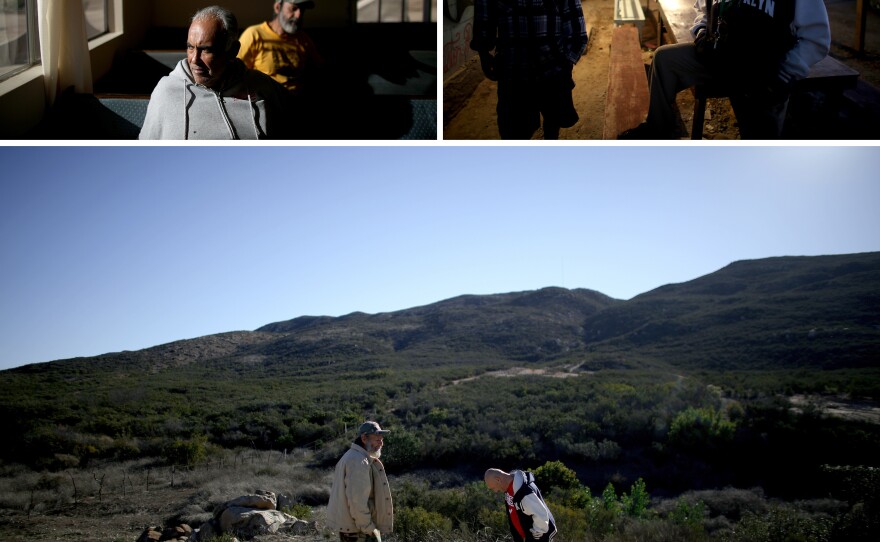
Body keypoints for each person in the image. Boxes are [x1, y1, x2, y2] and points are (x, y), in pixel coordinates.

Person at [622, 0, 831, 139]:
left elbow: (816, 39)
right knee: (665, 59)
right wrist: (703, 30)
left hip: (764, 73)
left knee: (761, 143)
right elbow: (704, 8)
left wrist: (784, 72)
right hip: (721, 59)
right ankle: (659, 128)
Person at [139, 6, 292, 140]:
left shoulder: (262, 85)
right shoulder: (166, 90)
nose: (194, 59)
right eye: (190, 47)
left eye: (206, 49)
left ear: (233, 50)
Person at [469, 0, 588, 140]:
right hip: (513, 73)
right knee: (515, 132)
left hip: (552, 70)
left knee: (553, 121)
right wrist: (483, 52)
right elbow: (484, 14)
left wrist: (566, 63)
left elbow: (576, 27)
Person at [237, 0, 323, 96]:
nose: (298, 15)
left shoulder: (304, 39)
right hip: (266, 101)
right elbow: (236, 74)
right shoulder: (254, 34)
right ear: (278, 7)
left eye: (302, 10)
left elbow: (317, 71)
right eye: (293, 8)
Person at [327, 421, 394, 542]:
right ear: (364, 438)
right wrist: (369, 529)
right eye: (377, 438)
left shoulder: (354, 456)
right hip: (358, 532)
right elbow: (356, 502)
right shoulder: (358, 461)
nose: (381, 443)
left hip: (354, 529)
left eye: (381, 439)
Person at [485, 468, 557, 542]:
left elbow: (541, 516)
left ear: (498, 480)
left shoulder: (524, 491)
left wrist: (533, 538)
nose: (495, 491)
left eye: (493, 488)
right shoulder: (509, 487)